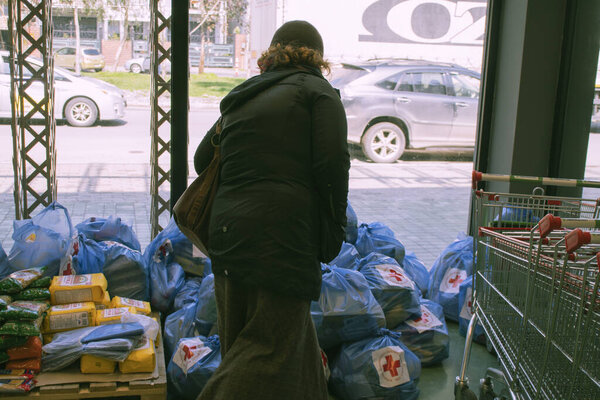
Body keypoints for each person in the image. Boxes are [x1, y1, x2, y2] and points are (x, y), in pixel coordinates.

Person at [194, 20, 350, 400]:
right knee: (268, 352)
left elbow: (202, 160)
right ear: (317, 58)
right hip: (281, 238)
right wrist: (333, 231)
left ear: (273, 53)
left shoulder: (244, 95)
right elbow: (332, 168)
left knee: (250, 347)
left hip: (227, 237)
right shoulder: (319, 92)